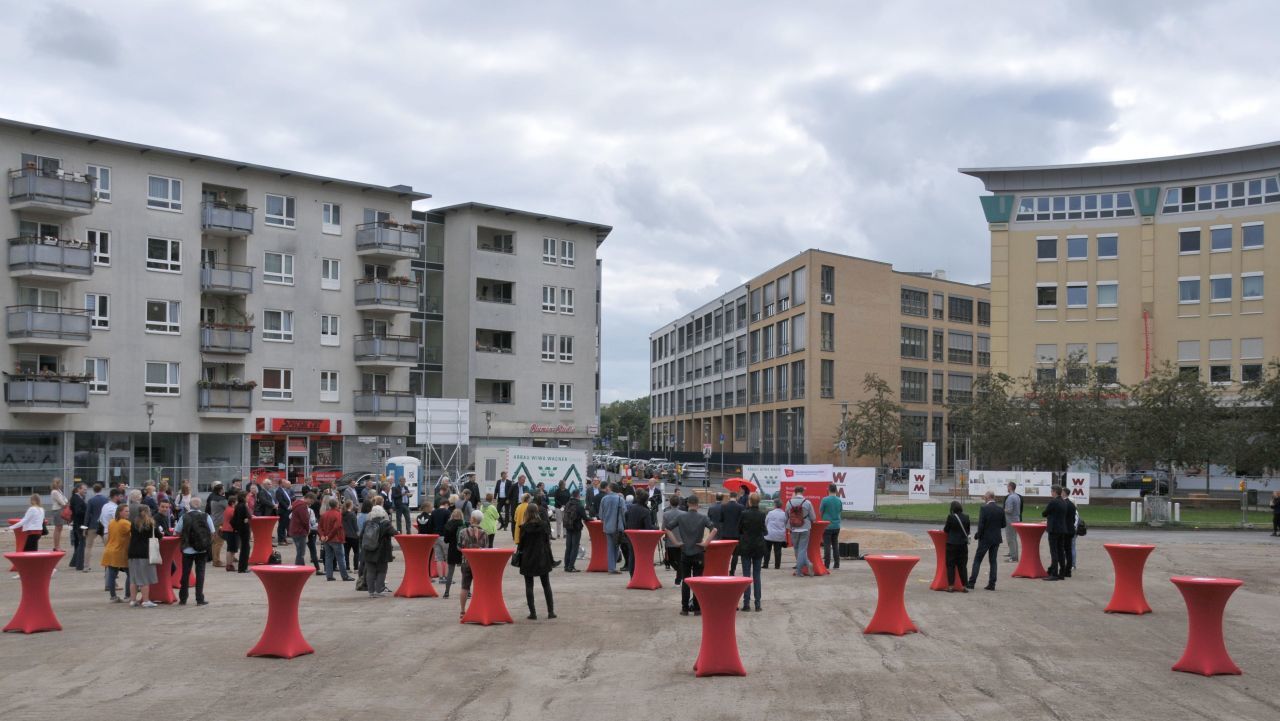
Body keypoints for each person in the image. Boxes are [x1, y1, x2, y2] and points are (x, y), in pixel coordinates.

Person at [664, 494, 717, 615]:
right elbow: (714, 529)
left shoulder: (681, 517)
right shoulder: (703, 517)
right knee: (698, 581)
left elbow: (667, 529)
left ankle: (685, 608)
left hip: (685, 552)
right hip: (698, 552)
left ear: (688, 504)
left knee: (686, 581)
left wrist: (676, 543)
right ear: (698, 505)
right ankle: (697, 608)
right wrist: (705, 543)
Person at [517, 503, 556, 620]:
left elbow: (521, 545)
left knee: (529, 585)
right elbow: (547, 542)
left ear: (527, 513)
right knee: (546, 584)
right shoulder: (544, 525)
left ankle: (533, 613)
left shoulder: (524, 527)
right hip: (542, 557)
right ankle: (551, 612)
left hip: (528, 558)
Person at [174, 496, 214, 606]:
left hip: (187, 549)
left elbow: (177, 532)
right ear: (200, 505)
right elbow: (212, 532)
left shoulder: (184, 516)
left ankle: (183, 598)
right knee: (200, 573)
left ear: (189, 505)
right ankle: (199, 599)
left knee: (185, 573)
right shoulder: (206, 516)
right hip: (202, 549)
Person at [968, 491, 1006, 591]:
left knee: (977, 560)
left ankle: (972, 582)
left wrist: (978, 535)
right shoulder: (1000, 509)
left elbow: (981, 524)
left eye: (985, 496)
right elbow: (1003, 524)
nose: (984, 498)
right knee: (993, 561)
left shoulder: (984, 508)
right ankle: (992, 584)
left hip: (985, 538)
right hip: (996, 538)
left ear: (988, 497)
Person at [456, 509, 488, 618]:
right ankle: (479, 609)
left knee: (465, 587)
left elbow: (459, 547)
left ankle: (462, 611)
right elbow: (486, 548)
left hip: (466, 562)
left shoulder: (463, 532)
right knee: (479, 587)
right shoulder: (484, 533)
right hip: (479, 564)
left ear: (472, 519)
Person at [738, 492, 768, 612]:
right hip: (758, 546)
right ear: (758, 502)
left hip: (746, 546)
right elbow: (765, 531)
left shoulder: (744, 514)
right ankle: (757, 604)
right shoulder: (762, 514)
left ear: (749, 501)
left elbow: (739, 529)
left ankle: (746, 603)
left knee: (746, 575)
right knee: (757, 575)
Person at [127, 506, 162, 608]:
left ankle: (133, 600)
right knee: (144, 578)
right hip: (144, 553)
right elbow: (159, 536)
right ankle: (146, 600)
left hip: (132, 552)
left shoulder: (133, 522)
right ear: (148, 512)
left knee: (133, 579)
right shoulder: (150, 523)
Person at [360, 504, 395, 597]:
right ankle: (379, 590)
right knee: (382, 571)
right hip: (381, 552)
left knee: (370, 571)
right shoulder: (385, 523)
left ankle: (371, 592)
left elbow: (361, 536)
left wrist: (362, 548)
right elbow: (394, 533)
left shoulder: (367, 523)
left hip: (368, 550)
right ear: (382, 512)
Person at [319, 498, 353, 582]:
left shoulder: (324, 514)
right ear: (337, 505)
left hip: (326, 539)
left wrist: (322, 535)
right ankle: (344, 576)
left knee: (328, 557)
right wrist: (329, 536)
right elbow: (336, 527)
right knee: (340, 558)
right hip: (336, 539)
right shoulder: (338, 514)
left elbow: (319, 526)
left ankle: (329, 575)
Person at [1042, 486, 1072, 581]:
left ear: (1055, 492)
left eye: (1052, 491)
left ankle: (1054, 573)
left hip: (1054, 529)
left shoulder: (1054, 502)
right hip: (1062, 529)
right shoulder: (1063, 501)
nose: (1051, 493)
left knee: (1054, 551)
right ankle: (1061, 573)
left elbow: (1044, 513)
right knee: (1060, 551)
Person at [102, 504, 130, 603]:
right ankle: (127, 595)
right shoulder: (125, 523)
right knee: (130, 574)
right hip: (120, 551)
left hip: (110, 549)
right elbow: (133, 534)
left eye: (128, 511)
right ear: (120, 512)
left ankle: (113, 596)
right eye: (126, 511)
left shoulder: (112, 522)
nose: (128, 513)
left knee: (112, 575)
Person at [785, 486, 816, 576]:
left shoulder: (789, 502)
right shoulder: (807, 502)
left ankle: (799, 570)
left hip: (793, 528)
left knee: (796, 548)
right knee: (802, 549)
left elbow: (786, 517)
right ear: (803, 492)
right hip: (805, 528)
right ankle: (807, 564)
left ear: (795, 492)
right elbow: (813, 517)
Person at [623, 488, 655, 576]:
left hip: (630, 535)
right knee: (642, 556)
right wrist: (655, 527)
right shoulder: (645, 511)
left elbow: (626, 517)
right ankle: (640, 574)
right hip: (641, 537)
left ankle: (632, 575)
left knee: (632, 555)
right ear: (646, 500)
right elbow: (648, 527)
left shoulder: (631, 508)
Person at [7, 494, 46, 565]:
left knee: (26, 552)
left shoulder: (32, 509)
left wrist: (11, 527)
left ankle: (35, 566)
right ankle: (34, 567)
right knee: (33, 552)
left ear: (33, 500)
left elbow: (23, 521)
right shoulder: (42, 509)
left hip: (32, 533)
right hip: (38, 533)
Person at [942, 500, 971, 593]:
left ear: (952, 508)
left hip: (952, 544)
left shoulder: (951, 517)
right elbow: (968, 531)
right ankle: (964, 586)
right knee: (962, 565)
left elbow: (946, 530)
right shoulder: (966, 517)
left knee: (950, 565)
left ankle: (951, 586)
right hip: (963, 545)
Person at [599, 483, 626, 574]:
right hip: (617, 527)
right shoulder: (620, 499)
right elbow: (624, 513)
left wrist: (605, 520)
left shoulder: (604, 499)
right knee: (616, 546)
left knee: (610, 547)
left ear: (610, 488)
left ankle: (611, 567)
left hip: (607, 527)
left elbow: (601, 515)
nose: (606, 488)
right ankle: (612, 567)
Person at [82, 483, 108, 572]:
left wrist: (85, 527)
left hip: (92, 525)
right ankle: (109, 565)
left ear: (93, 490)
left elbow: (87, 515)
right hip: (103, 525)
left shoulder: (91, 500)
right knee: (107, 546)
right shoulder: (106, 500)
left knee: (88, 546)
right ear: (101, 489)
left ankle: (86, 566)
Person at [718, 490, 744, 574]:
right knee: (735, 554)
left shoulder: (723, 506)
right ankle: (732, 570)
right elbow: (742, 520)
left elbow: (721, 519)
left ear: (729, 497)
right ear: (736, 497)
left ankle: (724, 569)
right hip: (736, 534)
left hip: (725, 533)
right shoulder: (741, 507)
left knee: (725, 554)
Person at [441, 508, 465, 599]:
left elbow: (446, 540)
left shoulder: (448, 525)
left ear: (452, 515)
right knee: (464, 573)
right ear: (461, 515)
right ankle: (467, 592)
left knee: (450, 572)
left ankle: (446, 592)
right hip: (462, 550)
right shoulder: (463, 524)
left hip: (452, 550)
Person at [820, 483, 843, 570]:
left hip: (827, 526)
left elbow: (820, 511)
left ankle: (826, 564)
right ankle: (837, 564)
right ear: (836, 490)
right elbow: (840, 510)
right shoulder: (839, 500)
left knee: (827, 546)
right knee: (835, 545)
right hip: (836, 526)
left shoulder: (825, 500)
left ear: (828, 490)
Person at [662, 495, 685, 583]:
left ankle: (678, 578)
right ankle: (680, 574)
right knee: (679, 560)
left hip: (670, 540)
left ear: (670, 503)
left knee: (671, 560)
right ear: (679, 503)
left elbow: (663, 528)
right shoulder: (684, 514)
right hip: (681, 539)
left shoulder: (666, 514)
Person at [428, 499, 452, 581]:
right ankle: (447, 577)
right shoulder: (447, 512)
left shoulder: (433, 512)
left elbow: (430, 525)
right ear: (446, 504)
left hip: (435, 536)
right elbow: (449, 525)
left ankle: (441, 578)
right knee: (448, 558)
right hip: (444, 536)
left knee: (438, 558)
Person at [561, 488, 584, 572]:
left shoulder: (568, 503)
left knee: (568, 547)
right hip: (576, 528)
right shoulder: (579, 504)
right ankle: (571, 566)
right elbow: (585, 517)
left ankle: (566, 566)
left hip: (568, 527)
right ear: (578, 495)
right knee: (575, 547)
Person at [206, 483, 228, 567]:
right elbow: (229, 507)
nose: (224, 490)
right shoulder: (221, 499)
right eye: (223, 489)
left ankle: (215, 559)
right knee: (219, 542)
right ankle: (217, 561)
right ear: (220, 490)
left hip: (214, 521)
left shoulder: (212, 497)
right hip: (220, 522)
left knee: (215, 542)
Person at [67, 482, 88, 570]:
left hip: (78, 524)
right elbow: (78, 511)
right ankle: (79, 564)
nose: (85, 491)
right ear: (78, 489)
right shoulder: (77, 498)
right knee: (82, 542)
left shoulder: (77, 498)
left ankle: (74, 562)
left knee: (80, 543)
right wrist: (87, 512)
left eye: (86, 489)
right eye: (84, 489)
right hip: (80, 524)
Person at [288, 491, 312, 565]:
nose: (312, 503)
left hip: (294, 530)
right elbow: (305, 520)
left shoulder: (297, 504)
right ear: (308, 498)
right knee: (301, 552)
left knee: (299, 551)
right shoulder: (303, 506)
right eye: (312, 501)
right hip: (300, 531)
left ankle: (300, 566)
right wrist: (308, 529)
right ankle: (299, 567)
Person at [232, 491, 252, 573]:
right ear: (244, 497)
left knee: (245, 547)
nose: (248, 498)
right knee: (245, 548)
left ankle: (242, 567)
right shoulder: (243, 506)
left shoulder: (238, 505)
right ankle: (243, 567)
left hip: (241, 528)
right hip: (244, 529)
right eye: (247, 496)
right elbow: (247, 516)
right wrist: (247, 518)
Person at [764, 502, 787, 570]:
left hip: (769, 534)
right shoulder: (784, 514)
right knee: (778, 551)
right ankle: (777, 565)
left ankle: (765, 564)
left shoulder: (770, 513)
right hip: (779, 535)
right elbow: (786, 523)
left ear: (775, 505)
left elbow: (766, 522)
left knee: (767, 550)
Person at [1003, 481, 1022, 562]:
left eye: (1007, 486)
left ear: (1010, 487)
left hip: (1010, 520)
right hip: (1016, 519)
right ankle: (1012, 553)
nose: (1007, 488)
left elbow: (1009, 510)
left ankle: (1014, 557)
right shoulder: (1017, 496)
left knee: (1011, 538)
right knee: (1013, 538)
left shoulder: (1010, 497)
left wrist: (1002, 510)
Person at [342, 500, 361, 575]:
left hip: (345, 536)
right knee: (356, 552)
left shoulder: (342, 514)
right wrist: (358, 534)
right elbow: (355, 527)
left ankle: (347, 567)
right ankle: (356, 568)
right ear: (350, 505)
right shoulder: (352, 515)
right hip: (353, 536)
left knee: (346, 552)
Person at [49, 478, 67, 552]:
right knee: (58, 528)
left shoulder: (59, 491)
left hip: (60, 510)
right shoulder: (54, 492)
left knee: (59, 528)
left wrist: (65, 503)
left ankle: (57, 546)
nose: (61, 484)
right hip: (58, 510)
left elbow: (65, 500)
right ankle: (56, 546)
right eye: (60, 483)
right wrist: (65, 503)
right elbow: (62, 502)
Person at [275, 479, 293, 546]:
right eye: (284, 482)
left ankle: (284, 539)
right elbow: (281, 501)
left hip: (287, 510)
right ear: (281, 483)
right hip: (283, 511)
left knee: (285, 525)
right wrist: (287, 507)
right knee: (281, 526)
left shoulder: (283, 490)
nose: (286, 484)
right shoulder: (278, 491)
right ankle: (280, 540)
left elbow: (287, 499)